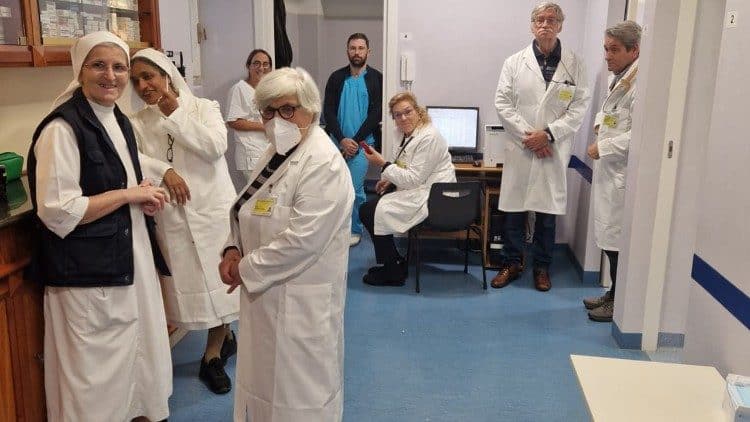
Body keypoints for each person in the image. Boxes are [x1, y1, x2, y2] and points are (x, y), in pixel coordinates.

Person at [26, 31, 172, 422]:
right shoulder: (62, 129)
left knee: (134, 362)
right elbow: (58, 212)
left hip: (126, 260)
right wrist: (127, 195)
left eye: (119, 67)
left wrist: (140, 198)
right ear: (80, 70)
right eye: (98, 65)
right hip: (88, 275)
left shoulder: (116, 119)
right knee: (94, 380)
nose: (111, 76)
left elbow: (119, 181)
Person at [219, 67, 354, 422]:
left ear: (311, 109)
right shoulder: (276, 151)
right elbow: (246, 206)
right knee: (264, 387)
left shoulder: (323, 163)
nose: (277, 120)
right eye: (268, 111)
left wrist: (243, 268)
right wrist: (232, 248)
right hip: (265, 297)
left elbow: (302, 241)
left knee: (299, 395)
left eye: (288, 109)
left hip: (300, 303)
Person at [127, 48, 240, 393]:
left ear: (166, 75)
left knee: (221, 281)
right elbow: (134, 159)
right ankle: (224, 338)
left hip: (212, 210)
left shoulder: (205, 108)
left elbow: (215, 146)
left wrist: (174, 112)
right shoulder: (137, 122)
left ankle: (212, 355)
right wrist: (166, 170)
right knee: (190, 286)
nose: (143, 86)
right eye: (136, 81)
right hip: (173, 215)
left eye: (148, 76)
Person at [491, 2, 590, 292]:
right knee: (514, 212)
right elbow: (502, 104)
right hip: (522, 147)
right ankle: (511, 263)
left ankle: (542, 268)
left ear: (560, 25)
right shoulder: (514, 62)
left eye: (551, 19)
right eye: (539, 19)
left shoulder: (575, 64)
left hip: (552, 148)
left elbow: (579, 107)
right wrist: (531, 138)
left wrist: (548, 135)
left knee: (547, 215)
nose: (545, 24)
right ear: (532, 25)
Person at [359, 92, 456, 286]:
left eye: (407, 112)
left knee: (369, 211)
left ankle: (392, 271)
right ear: (393, 118)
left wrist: (383, 164)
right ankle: (394, 262)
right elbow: (405, 164)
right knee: (372, 207)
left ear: (418, 111)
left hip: (434, 198)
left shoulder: (429, 137)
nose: (403, 118)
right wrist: (390, 180)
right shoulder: (404, 134)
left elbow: (413, 178)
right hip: (420, 190)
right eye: (397, 115)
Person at [583, 21, 641, 322]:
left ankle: (619, 302)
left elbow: (640, 135)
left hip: (622, 174)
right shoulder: (619, 78)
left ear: (634, 50)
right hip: (609, 173)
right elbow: (608, 113)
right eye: (606, 49)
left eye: (614, 50)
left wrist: (603, 147)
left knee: (617, 243)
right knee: (608, 238)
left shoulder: (640, 84)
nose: (607, 56)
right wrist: (598, 126)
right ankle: (613, 294)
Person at [323, 32, 383, 247]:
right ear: (347, 51)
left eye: (361, 48)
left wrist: (355, 142)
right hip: (336, 143)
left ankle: (354, 228)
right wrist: (341, 140)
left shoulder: (377, 79)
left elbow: (376, 115)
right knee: (334, 189)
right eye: (353, 48)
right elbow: (328, 111)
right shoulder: (336, 78)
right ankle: (335, 228)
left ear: (368, 51)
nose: (357, 52)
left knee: (355, 189)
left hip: (363, 144)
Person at [226, 49, 273, 182]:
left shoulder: (269, 91)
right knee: (260, 192)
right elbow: (233, 121)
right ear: (248, 66)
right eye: (256, 63)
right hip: (251, 153)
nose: (261, 68)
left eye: (265, 64)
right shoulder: (239, 89)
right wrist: (264, 126)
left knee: (270, 192)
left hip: (267, 150)